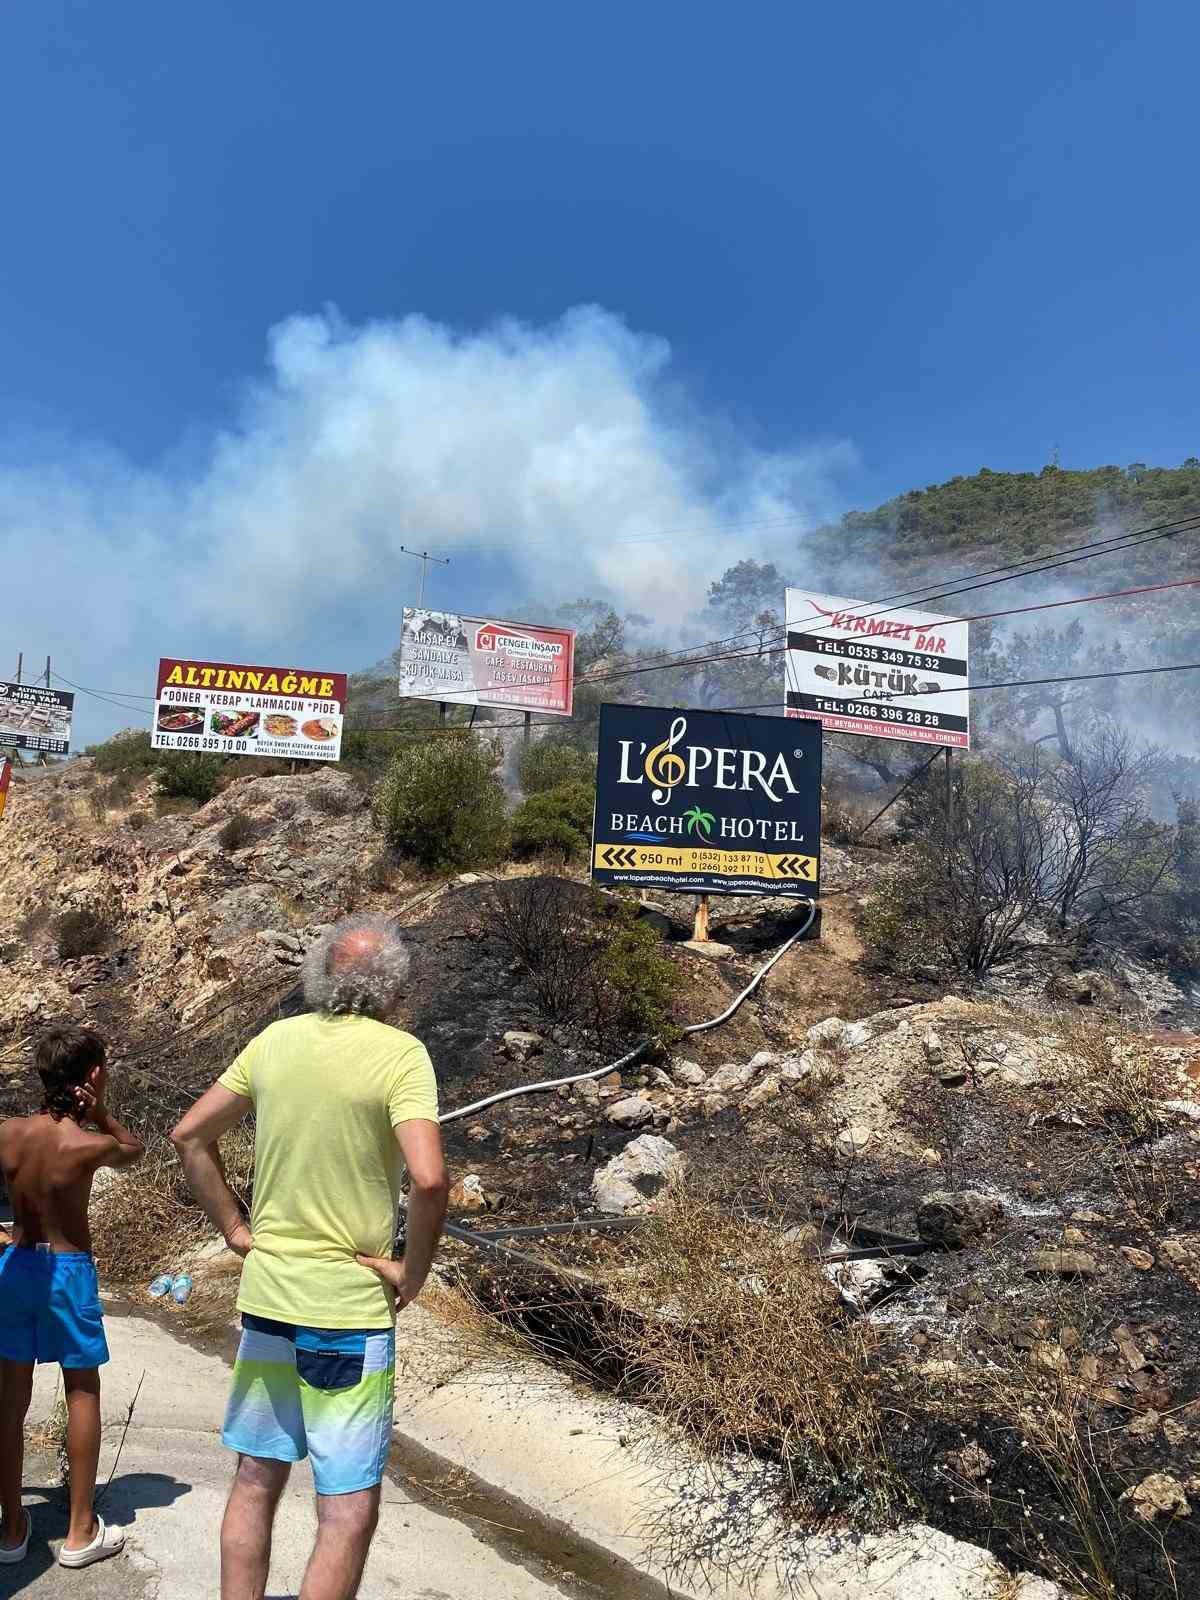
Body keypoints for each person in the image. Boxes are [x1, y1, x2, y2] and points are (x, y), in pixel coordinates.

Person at [170, 913, 448, 1600]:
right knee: (346, 1504)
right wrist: (412, 1272)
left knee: (256, 1477)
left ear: (319, 977)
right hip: (347, 1310)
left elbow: (189, 1137)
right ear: (393, 986)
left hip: (268, 1299)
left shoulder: (274, 1042)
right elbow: (430, 1179)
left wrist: (236, 1228)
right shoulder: (401, 1056)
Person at [0, 1024, 144, 1568]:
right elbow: (134, 1148)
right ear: (91, 1074)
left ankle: (12, 1528)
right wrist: (101, 1109)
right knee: (81, 1389)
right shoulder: (85, 1144)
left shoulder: (8, 1132)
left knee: (10, 1400)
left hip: (16, 1267)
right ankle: (81, 1531)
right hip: (67, 1269)